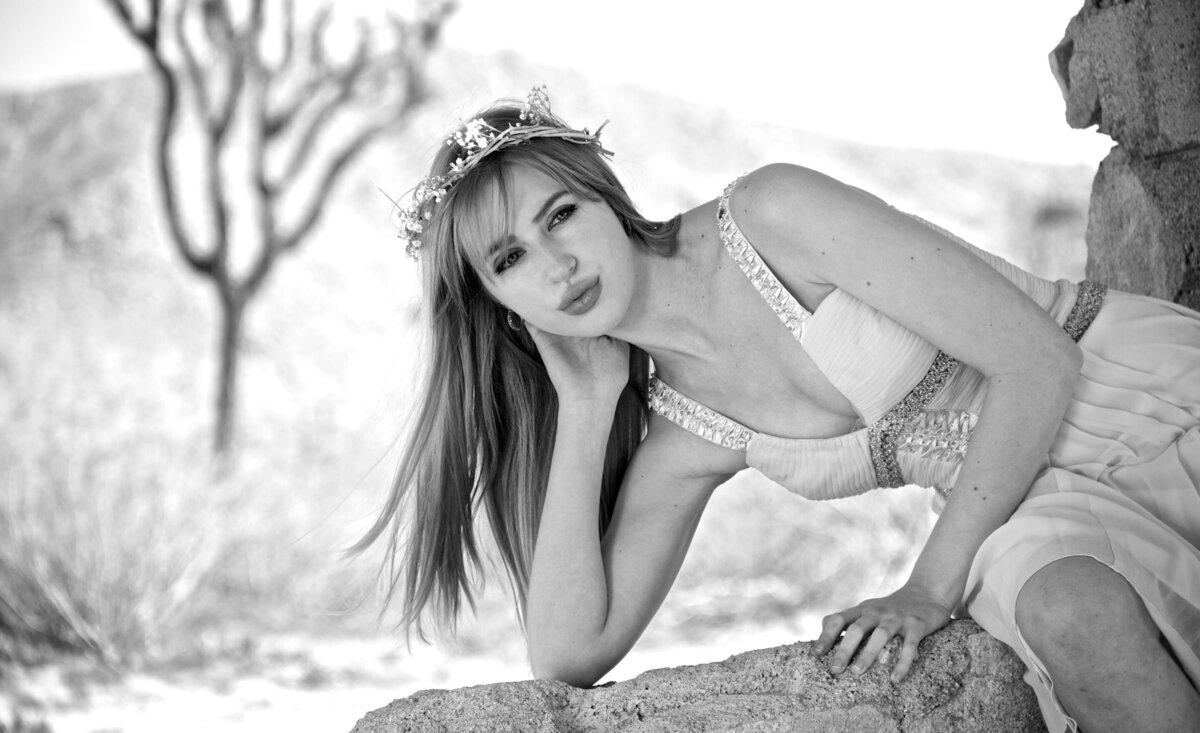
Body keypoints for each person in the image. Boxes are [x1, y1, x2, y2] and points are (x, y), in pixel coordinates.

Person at [356, 87, 1200, 732]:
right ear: (504, 306)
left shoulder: (770, 216)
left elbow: (1037, 361)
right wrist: (585, 408)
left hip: (1128, 389)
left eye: (562, 215)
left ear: (603, 195)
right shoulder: (687, 431)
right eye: (511, 258)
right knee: (1070, 614)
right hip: (1026, 503)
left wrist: (927, 589)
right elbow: (569, 651)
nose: (557, 263)